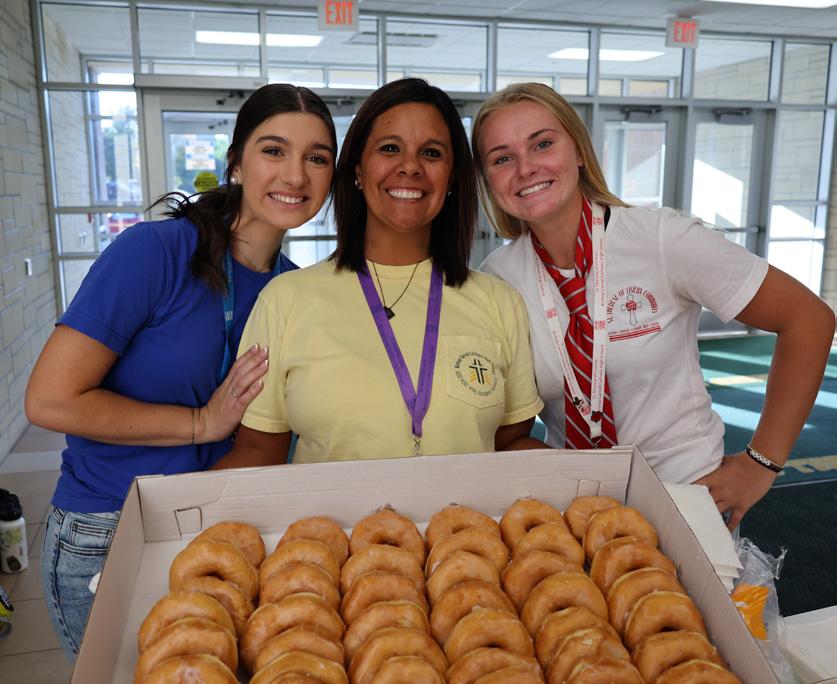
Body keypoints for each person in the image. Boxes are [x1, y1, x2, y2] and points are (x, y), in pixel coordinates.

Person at [24, 84, 337, 659]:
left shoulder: (294, 289)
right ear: (235, 163)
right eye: (273, 150)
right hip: (112, 527)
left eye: (316, 157)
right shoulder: (156, 252)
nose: (295, 175)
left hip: (223, 528)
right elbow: (49, 399)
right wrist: (200, 423)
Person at [473, 82, 835, 530]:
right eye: (502, 158)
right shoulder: (498, 279)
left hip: (687, 492)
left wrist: (762, 462)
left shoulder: (661, 239)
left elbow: (808, 319)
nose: (526, 167)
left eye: (542, 144)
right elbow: (509, 431)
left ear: (579, 151)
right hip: (579, 509)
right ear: (488, 179)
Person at [211, 78, 545, 469]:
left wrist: (589, 472)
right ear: (358, 166)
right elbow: (257, 455)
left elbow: (510, 444)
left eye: (431, 153)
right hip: (333, 513)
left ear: (453, 175)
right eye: (390, 148)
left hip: (466, 512)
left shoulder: (498, 301)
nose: (410, 167)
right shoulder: (285, 300)